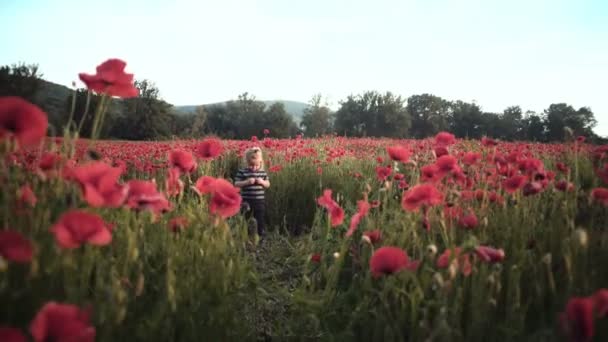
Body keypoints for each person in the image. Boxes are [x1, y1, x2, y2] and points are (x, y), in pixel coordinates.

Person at [234, 147, 270, 238]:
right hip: (246, 201)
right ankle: (245, 234)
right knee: (245, 218)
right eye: (251, 165)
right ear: (246, 162)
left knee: (259, 218)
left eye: (256, 165)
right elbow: (236, 184)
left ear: (260, 163)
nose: (254, 168)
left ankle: (260, 234)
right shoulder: (242, 172)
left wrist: (262, 182)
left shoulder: (262, 173)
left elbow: (268, 184)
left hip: (259, 201)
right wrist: (246, 182)